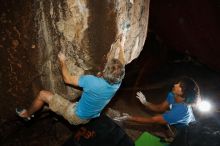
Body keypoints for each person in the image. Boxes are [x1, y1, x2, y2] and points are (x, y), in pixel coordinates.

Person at [16, 51, 125, 125]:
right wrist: (121, 42)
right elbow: (122, 62)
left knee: (42, 95)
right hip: (89, 117)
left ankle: (27, 114)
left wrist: (62, 61)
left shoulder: (92, 81)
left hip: (75, 115)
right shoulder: (117, 83)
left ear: (105, 73)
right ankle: (54, 113)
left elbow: (67, 79)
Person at [115, 77, 200, 130]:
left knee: (180, 138)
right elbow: (160, 108)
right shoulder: (172, 94)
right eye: (178, 83)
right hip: (178, 116)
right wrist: (145, 102)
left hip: (188, 127)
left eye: (180, 86)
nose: (175, 84)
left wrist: (129, 118)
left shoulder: (179, 112)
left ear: (183, 95)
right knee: (166, 116)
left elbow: (153, 120)